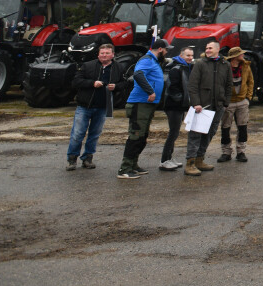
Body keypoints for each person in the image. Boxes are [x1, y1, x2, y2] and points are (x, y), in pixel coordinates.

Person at [66, 43, 123, 170]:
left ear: (112, 55)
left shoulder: (118, 67)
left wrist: (117, 86)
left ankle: (87, 158)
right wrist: (92, 83)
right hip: (85, 106)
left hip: (104, 106)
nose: (104, 55)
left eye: (107, 53)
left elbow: (124, 83)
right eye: (102, 53)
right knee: (78, 133)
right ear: (98, 54)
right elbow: (76, 82)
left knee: (94, 134)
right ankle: (72, 159)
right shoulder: (88, 66)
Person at [117, 38, 167, 180]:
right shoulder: (147, 59)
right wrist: (150, 91)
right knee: (136, 135)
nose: (167, 52)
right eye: (166, 49)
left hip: (147, 105)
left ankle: (133, 165)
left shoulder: (154, 61)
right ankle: (124, 168)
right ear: (160, 49)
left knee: (142, 136)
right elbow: (138, 74)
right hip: (139, 103)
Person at [184, 39, 230, 177]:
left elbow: (228, 85)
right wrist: (196, 103)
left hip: (218, 107)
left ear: (217, 49)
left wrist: (225, 102)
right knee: (195, 135)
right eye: (206, 48)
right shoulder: (200, 64)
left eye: (210, 48)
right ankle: (190, 163)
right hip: (202, 107)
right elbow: (192, 86)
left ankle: (200, 160)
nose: (207, 50)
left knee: (209, 133)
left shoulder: (225, 65)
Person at [159, 46, 194, 171]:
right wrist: (182, 100)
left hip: (180, 106)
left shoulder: (186, 67)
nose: (190, 58)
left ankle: (169, 157)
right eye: (187, 55)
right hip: (173, 106)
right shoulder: (175, 68)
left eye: (191, 55)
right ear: (181, 55)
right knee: (173, 133)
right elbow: (172, 88)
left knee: (175, 132)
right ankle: (164, 160)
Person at [218, 47, 253, 163]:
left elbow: (250, 82)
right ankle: (226, 152)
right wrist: (223, 100)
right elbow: (220, 84)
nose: (243, 56)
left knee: (242, 127)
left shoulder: (246, 66)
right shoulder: (224, 68)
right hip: (229, 102)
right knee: (225, 127)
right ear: (234, 57)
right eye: (240, 54)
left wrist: (248, 98)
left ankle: (241, 151)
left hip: (242, 101)